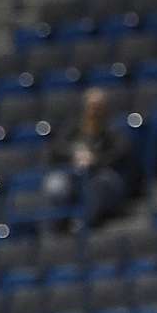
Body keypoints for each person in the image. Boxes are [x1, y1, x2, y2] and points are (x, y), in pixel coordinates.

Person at [44, 88, 131, 228]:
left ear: (105, 109)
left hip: (104, 178)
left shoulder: (114, 132)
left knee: (97, 184)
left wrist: (95, 160)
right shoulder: (72, 130)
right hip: (74, 174)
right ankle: (57, 225)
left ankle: (83, 224)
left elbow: (119, 154)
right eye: (91, 106)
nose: (94, 111)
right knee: (55, 183)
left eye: (98, 107)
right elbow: (56, 149)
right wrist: (74, 154)